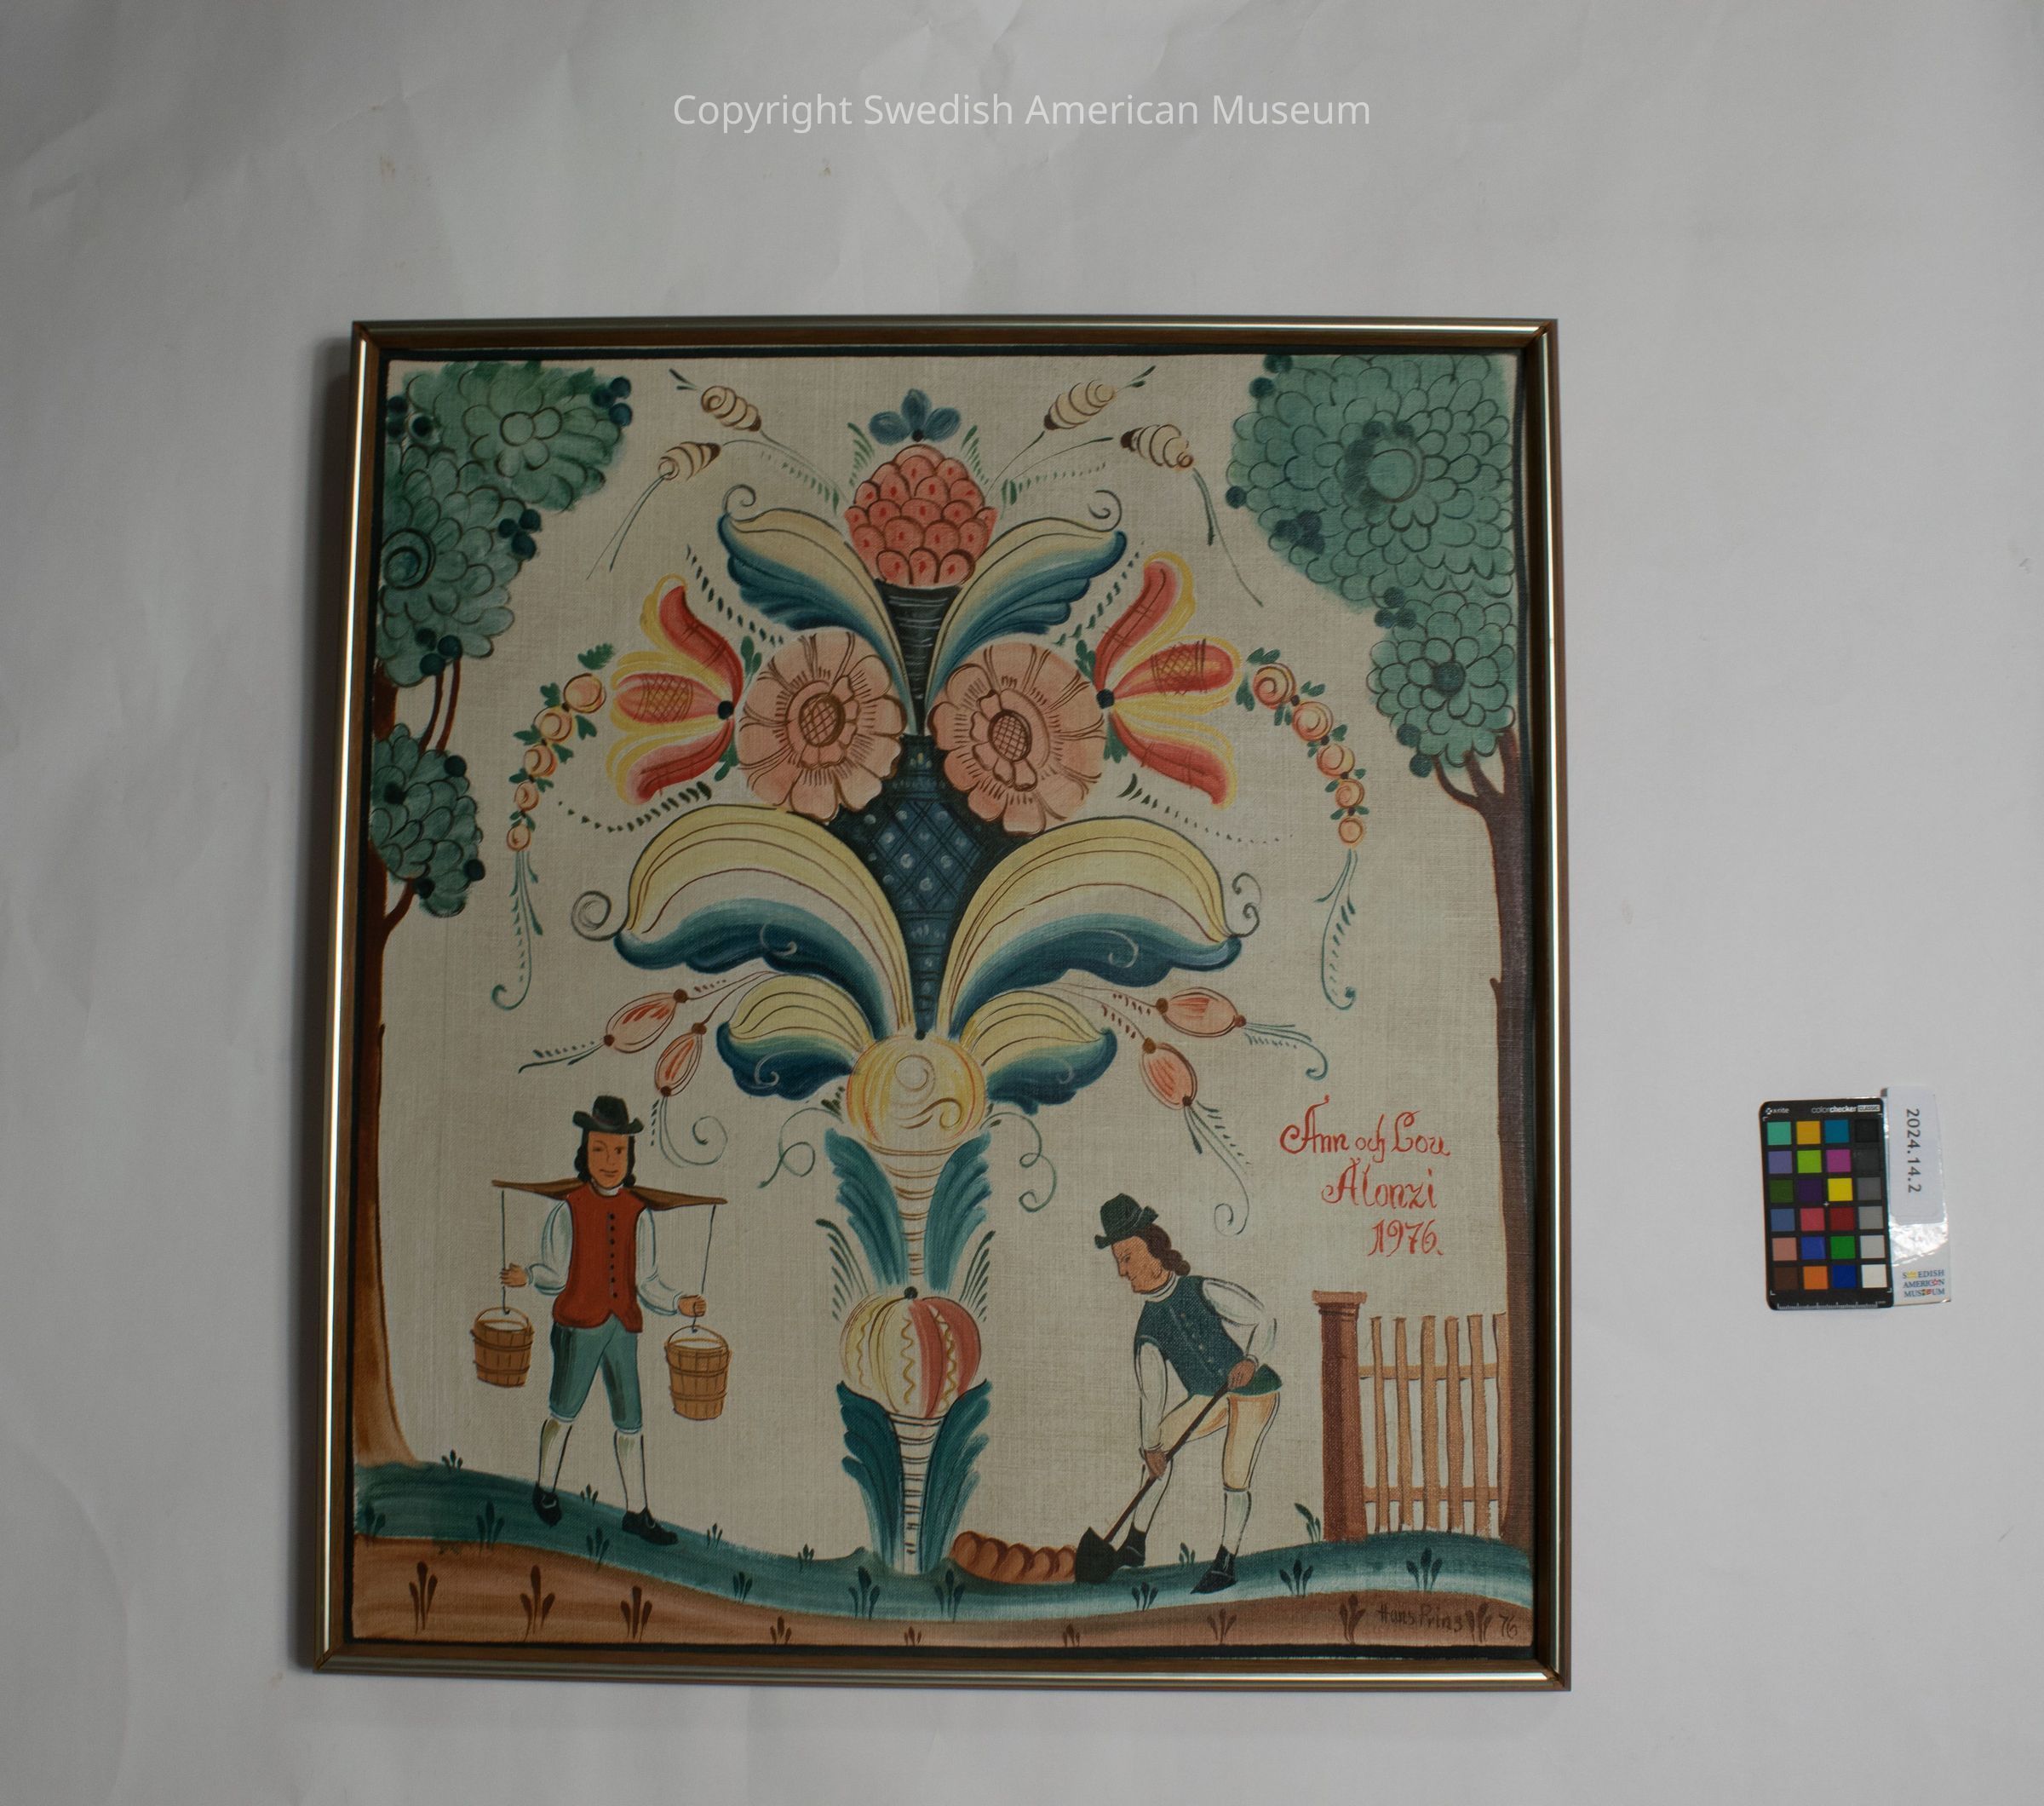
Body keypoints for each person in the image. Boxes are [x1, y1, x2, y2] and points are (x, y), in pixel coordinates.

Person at [498, 1095, 721, 1544]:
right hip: (577, 1327)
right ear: (584, 1154)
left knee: (630, 1422)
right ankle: (544, 1489)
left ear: (629, 1156)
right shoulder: (568, 1208)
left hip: (623, 1328)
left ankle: (637, 1512)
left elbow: (647, 1280)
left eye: (618, 1150)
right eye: (599, 1149)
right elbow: (555, 1272)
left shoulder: (639, 1213)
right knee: (563, 1412)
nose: (609, 1160)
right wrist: (529, 1276)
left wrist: (679, 1302)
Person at [1096, 1193, 1280, 1594]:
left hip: (1252, 1392)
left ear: (1152, 1249)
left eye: (1126, 1257)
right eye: (1118, 1262)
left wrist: (1251, 1360)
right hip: (1208, 1397)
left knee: (1234, 1472)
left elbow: (1262, 1319)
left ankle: (1226, 1562)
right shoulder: (1148, 1329)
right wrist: (1151, 1448)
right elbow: (1153, 1396)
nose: (1122, 1271)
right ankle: (1135, 1543)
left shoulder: (1201, 1290)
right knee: (1159, 1445)